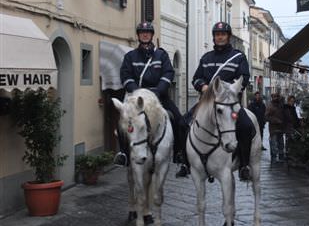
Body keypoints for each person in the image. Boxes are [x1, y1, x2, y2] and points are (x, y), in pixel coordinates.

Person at [114, 21, 187, 176]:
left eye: (147, 32)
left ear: (152, 35)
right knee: (122, 121)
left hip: (159, 97)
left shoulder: (161, 55)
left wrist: (158, 90)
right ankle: (124, 154)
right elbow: (125, 76)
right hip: (137, 98)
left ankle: (179, 154)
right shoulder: (130, 56)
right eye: (142, 32)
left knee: (179, 121)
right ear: (139, 36)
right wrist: (137, 91)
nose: (145, 35)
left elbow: (168, 73)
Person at [191, 21, 255, 181]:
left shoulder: (238, 57)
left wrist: (228, 89)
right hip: (206, 104)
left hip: (229, 105)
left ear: (228, 37)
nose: (220, 37)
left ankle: (244, 165)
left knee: (246, 126)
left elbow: (244, 78)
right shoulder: (206, 58)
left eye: (223, 34)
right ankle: (185, 161)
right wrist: (203, 86)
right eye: (217, 35)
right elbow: (196, 78)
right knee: (182, 123)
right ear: (214, 37)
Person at [265, 92, 286, 164]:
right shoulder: (270, 106)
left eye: (277, 97)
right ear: (272, 98)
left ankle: (281, 157)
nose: (276, 98)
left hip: (281, 128)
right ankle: (274, 158)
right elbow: (266, 117)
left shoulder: (280, 105)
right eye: (274, 97)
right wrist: (275, 120)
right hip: (273, 128)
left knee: (281, 144)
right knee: (274, 144)